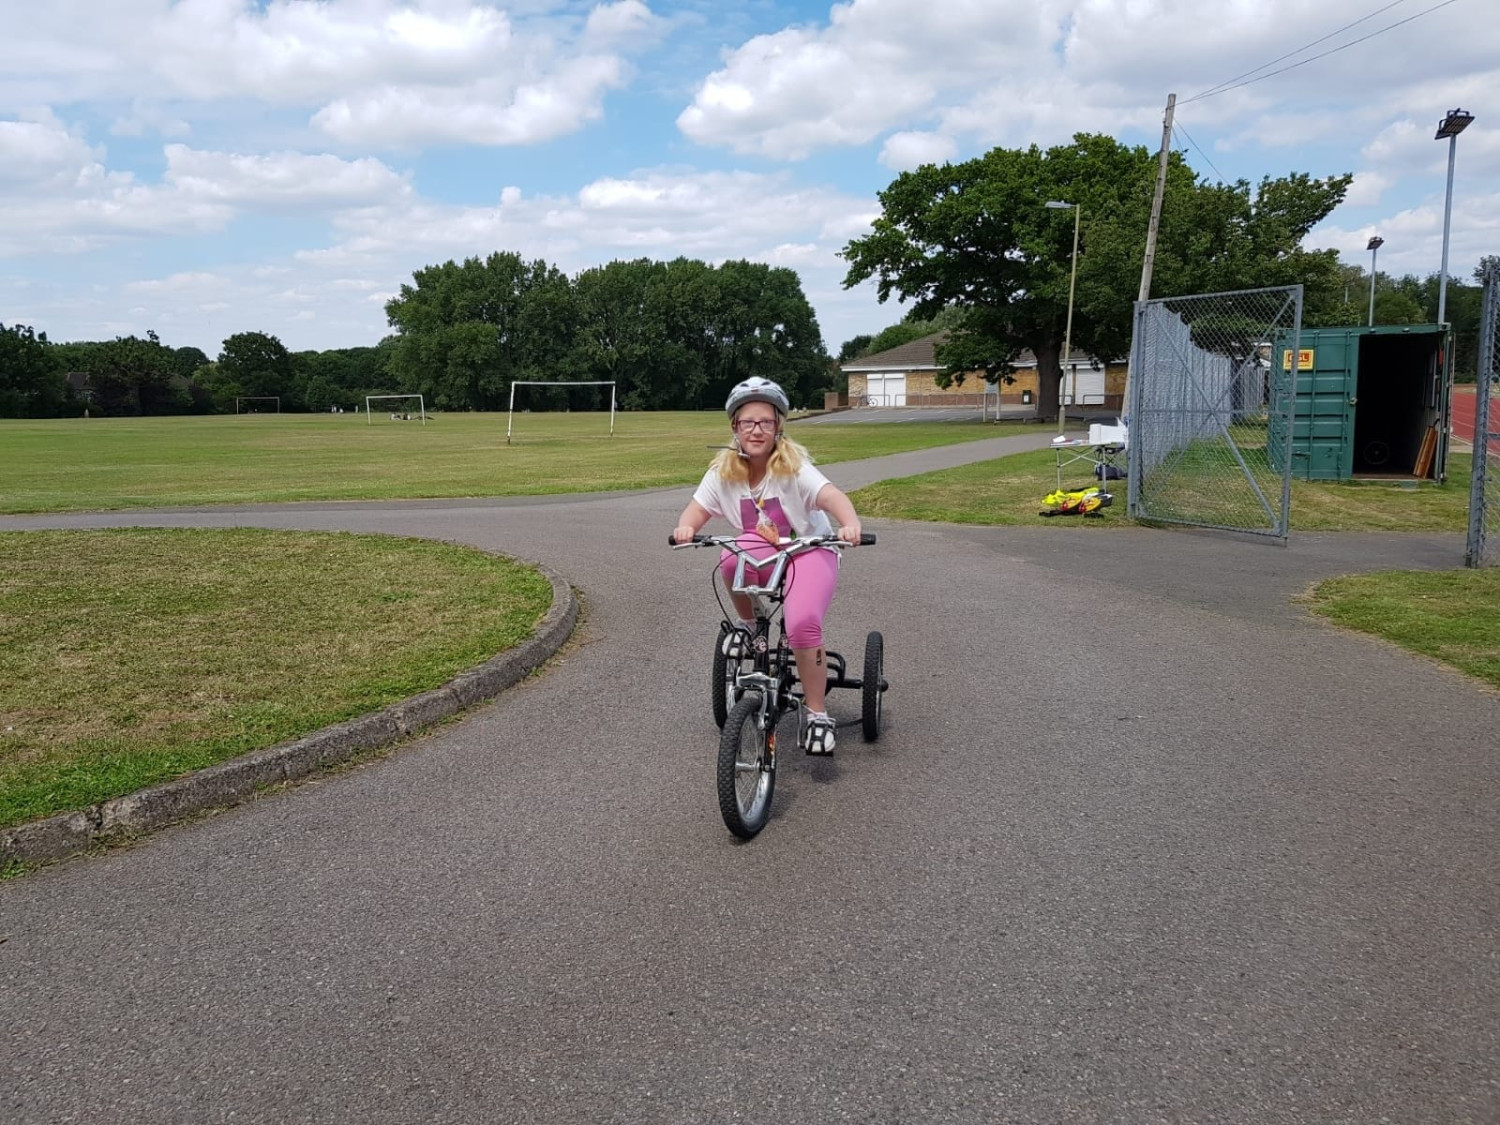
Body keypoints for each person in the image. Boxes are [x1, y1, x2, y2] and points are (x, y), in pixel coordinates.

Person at [672, 377, 863, 755]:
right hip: (765, 548)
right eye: (748, 422)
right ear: (734, 428)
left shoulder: (794, 468)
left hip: (811, 547)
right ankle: (748, 625)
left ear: (778, 427)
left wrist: (850, 523)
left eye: (765, 422)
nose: (756, 430)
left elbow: (831, 497)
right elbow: (696, 511)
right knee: (730, 554)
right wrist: (686, 528)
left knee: (801, 623)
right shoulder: (722, 472)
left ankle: (817, 713)